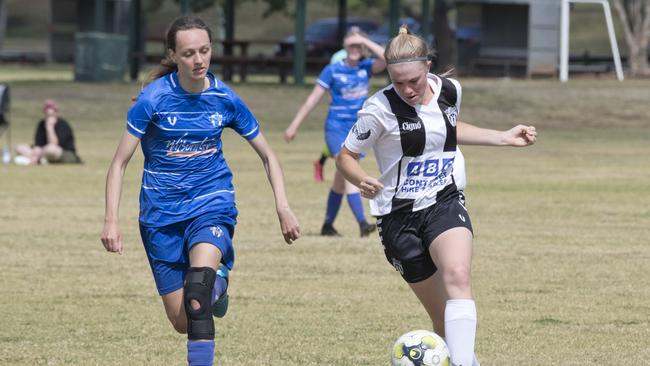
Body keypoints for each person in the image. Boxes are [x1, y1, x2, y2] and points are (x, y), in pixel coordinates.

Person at [100, 16, 300, 366]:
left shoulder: (225, 99)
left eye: (205, 51)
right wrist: (111, 221)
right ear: (173, 55)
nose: (199, 60)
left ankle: (209, 281)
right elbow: (118, 163)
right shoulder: (153, 100)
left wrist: (282, 206)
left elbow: (268, 155)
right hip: (160, 216)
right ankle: (217, 283)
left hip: (211, 204)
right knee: (182, 321)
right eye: (189, 53)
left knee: (196, 294)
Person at [336, 26, 536, 366]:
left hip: (443, 200)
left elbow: (449, 128)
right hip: (397, 218)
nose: (407, 89)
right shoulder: (378, 109)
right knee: (443, 318)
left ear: (428, 66)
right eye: (398, 82)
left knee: (458, 274)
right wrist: (361, 179)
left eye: (413, 80)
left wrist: (502, 137)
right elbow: (345, 156)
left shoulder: (450, 90)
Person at [284, 28, 386, 237]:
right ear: (344, 45)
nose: (355, 48)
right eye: (351, 44)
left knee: (340, 180)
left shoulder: (366, 67)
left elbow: (387, 58)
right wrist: (294, 125)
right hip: (335, 128)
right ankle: (362, 223)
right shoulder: (332, 70)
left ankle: (327, 225)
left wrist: (365, 41)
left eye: (359, 45)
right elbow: (312, 100)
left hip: (358, 129)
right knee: (347, 168)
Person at [14, 99, 81, 165]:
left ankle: (36, 159)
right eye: (47, 115)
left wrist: (50, 128)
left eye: (51, 115)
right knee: (19, 147)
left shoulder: (63, 125)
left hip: (63, 152)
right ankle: (40, 159)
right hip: (44, 151)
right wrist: (37, 150)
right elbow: (38, 144)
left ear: (56, 113)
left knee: (50, 149)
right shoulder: (41, 124)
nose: (49, 118)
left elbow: (54, 144)